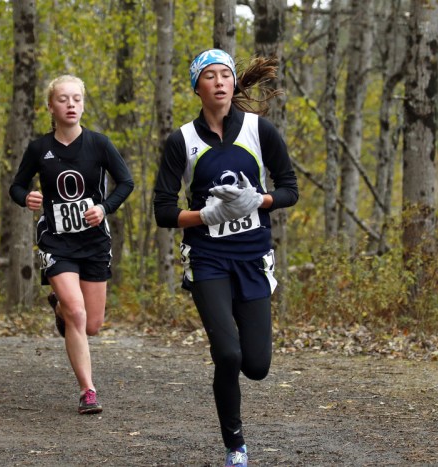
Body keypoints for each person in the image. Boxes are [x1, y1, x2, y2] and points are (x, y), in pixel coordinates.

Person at [153, 49, 299, 466]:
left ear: (234, 83)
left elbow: (290, 187)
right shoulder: (182, 140)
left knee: (256, 365)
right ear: (197, 86)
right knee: (228, 355)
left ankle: (236, 429)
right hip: (208, 257)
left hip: (253, 257)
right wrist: (205, 215)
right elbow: (163, 211)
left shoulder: (259, 131)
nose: (219, 82)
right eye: (210, 76)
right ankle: (235, 445)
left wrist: (261, 199)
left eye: (225, 75)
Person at [9, 75, 134, 414]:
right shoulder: (39, 148)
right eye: (63, 99)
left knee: (91, 325)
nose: (71, 105)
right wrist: (28, 197)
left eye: (76, 99)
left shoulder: (99, 144)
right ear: (51, 106)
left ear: (83, 103)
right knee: (77, 314)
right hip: (56, 240)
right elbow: (16, 187)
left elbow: (126, 182)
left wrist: (104, 207)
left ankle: (59, 306)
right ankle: (88, 391)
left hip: (94, 241)